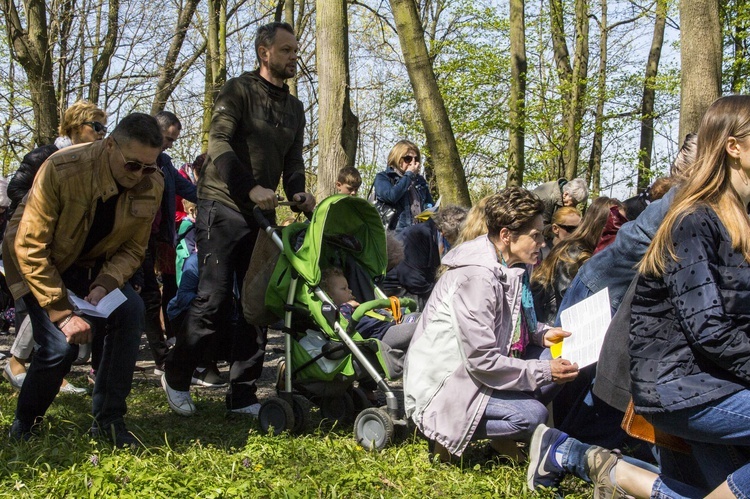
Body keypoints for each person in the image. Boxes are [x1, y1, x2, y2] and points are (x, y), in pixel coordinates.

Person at [529, 96, 750, 499]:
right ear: (730, 147)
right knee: (572, 375)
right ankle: (549, 434)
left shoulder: (730, 210)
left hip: (669, 339)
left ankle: (589, 458)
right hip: (604, 291)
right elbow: (706, 324)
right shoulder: (690, 208)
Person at [162, 21, 316, 418]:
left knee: (257, 302)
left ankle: (243, 393)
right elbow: (218, 143)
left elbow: (293, 161)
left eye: (295, 50)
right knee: (212, 300)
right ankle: (176, 374)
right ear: (264, 53)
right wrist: (248, 188)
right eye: (285, 50)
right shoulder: (239, 90)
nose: (293, 56)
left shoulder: (295, 108)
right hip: (221, 206)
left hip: (261, 215)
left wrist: (298, 192)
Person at [4, 113, 164, 447]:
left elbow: (134, 248)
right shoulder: (62, 168)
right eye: (133, 165)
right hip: (37, 261)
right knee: (59, 346)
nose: (140, 176)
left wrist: (106, 282)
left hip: (91, 267)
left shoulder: (154, 182)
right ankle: (25, 424)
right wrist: (63, 313)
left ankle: (109, 421)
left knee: (130, 311)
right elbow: (30, 245)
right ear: (108, 147)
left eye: (149, 166)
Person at [404, 187, 579, 461]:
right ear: (507, 236)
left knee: (559, 354)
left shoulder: (507, 266)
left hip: (474, 375)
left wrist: (544, 334)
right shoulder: (478, 278)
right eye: (535, 236)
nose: (542, 244)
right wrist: (544, 371)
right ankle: (444, 437)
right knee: (532, 414)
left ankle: (499, 439)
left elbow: (506, 330)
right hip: (447, 386)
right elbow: (482, 361)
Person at [4, 100, 108, 395]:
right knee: (47, 304)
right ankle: (23, 365)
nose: (102, 133)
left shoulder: (92, 161)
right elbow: (16, 189)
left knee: (61, 304)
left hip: (69, 247)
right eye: (96, 126)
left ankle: (37, 368)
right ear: (77, 126)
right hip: (34, 242)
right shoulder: (44, 155)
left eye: (104, 127)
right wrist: (51, 207)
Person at [141, 111, 197, 373]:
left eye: (173, 140)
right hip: (129, 238)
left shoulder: (164, 163)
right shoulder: (135, 158)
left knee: (151, 295)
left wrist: (221, 197)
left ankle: (161, 358)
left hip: (152, 239)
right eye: (168, 138)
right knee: (142, 296)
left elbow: (188, 190)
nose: (170, 144)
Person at [531, 197, 622, 325]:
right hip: (551, 329)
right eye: (617, 227)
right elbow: (572, 307)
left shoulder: (589, 252)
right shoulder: (572, 255)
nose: (622, 234)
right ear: (600, 226)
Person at [386, 205, 467, 307]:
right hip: (400, 291)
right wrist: (445, 295)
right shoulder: (416, 235)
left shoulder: (437, 237)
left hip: (420, 288)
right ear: (446, 232)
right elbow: (413, 280)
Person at [320, 267, 419, 351]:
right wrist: (348, 306)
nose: (350, 291)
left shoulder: (357, 308)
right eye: (344, 288)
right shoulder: (339, 312)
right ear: (329, 295)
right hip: (380, 335)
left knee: (419, 317)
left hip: (389, 324)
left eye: (348, 287)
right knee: (420, 328)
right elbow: (345, 324)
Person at [373, 140, 433, 232]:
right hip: (396, 234)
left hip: (419, 233)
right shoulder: (384, 177)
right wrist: (409, 175)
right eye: (408, 159)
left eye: (416, 159)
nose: (412, 163)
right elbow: (391, 196)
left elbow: (429, 205)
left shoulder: (419, 180)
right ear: (397, 158)